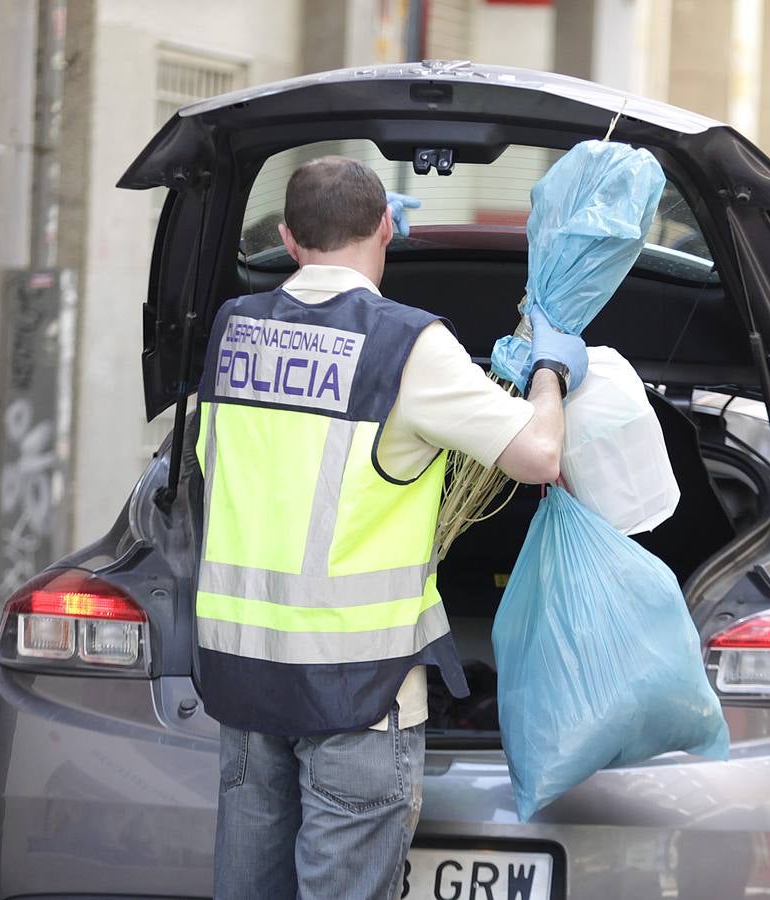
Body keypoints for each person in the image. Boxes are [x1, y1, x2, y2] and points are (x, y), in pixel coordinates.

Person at [197, 156, 587, 899]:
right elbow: (539, 454)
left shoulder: (233, 329)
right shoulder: (407, 344)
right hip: (358, 699)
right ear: (387, 226)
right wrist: (550, 372)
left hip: (246, 687)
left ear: (286, 236)